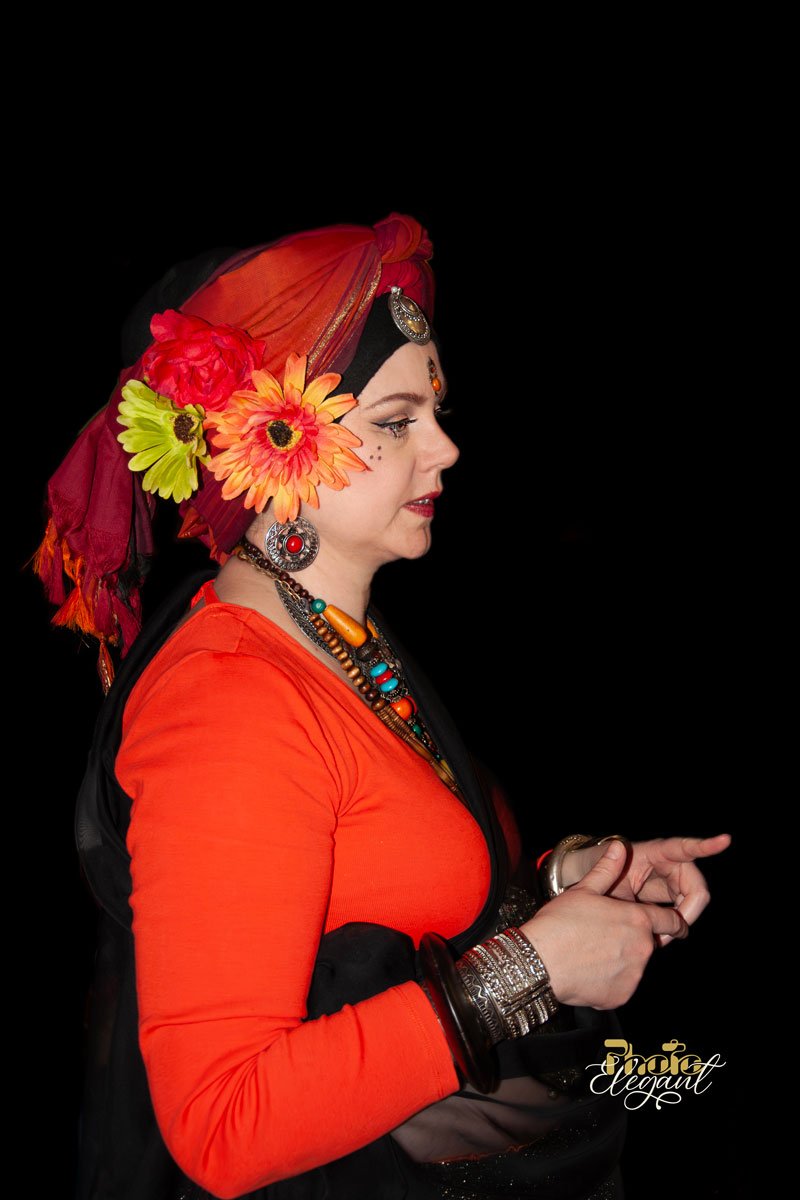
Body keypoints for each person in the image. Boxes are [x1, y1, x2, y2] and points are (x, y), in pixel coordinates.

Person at [35, 213, 730, 1200]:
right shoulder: (231, 703)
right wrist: (529, 969)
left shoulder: (329, 636)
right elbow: (223, 1123)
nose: (445, 448)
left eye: (435, 410)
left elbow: (386, 909)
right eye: (397, 420)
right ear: (274, 442)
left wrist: (567, 884)